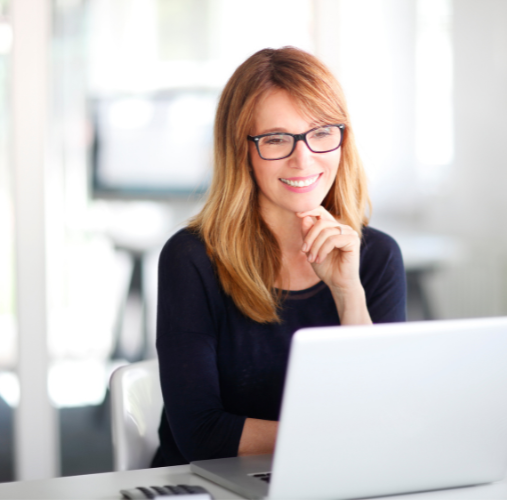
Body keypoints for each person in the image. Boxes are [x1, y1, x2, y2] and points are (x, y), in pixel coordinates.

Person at [152, 46, 407, 467]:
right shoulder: (191, 259)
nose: (303, 158)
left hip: (330, 478)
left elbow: (384, 411)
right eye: (275, 139)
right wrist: (340, 436)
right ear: (241, 151)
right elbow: (202, 434)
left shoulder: (375, 256)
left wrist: (348, 293)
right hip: (207, 486)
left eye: (322, 132)